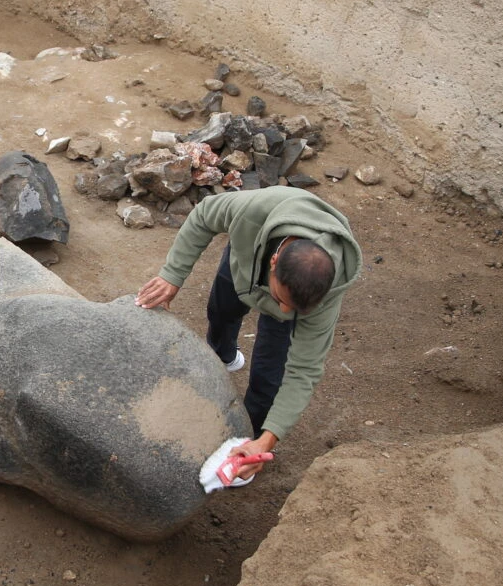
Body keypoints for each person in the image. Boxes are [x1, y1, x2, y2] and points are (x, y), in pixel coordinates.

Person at [136, 185, 361, 482]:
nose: (282, 311)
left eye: (292, 309)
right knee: (221, 312)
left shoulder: (325, 294)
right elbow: (203, 214)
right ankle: (224, 357)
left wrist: (268, 439)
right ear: (273, 263)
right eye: (281, 300)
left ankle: (245, 441)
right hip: (246, 258)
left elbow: (304, 372)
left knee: (270, 373)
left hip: (277, 280)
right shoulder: (253, 211)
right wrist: (173, 274)